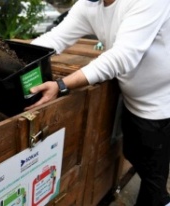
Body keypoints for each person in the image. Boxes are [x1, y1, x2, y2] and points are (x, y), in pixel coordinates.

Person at [26, 0, 170, 205]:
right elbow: (55, 38)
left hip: (160, 107)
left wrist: (61, 85)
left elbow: (122, 57)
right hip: (132, 101)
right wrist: (16, 60)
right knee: (136, 156)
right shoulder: (89, 5)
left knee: (153, 182)